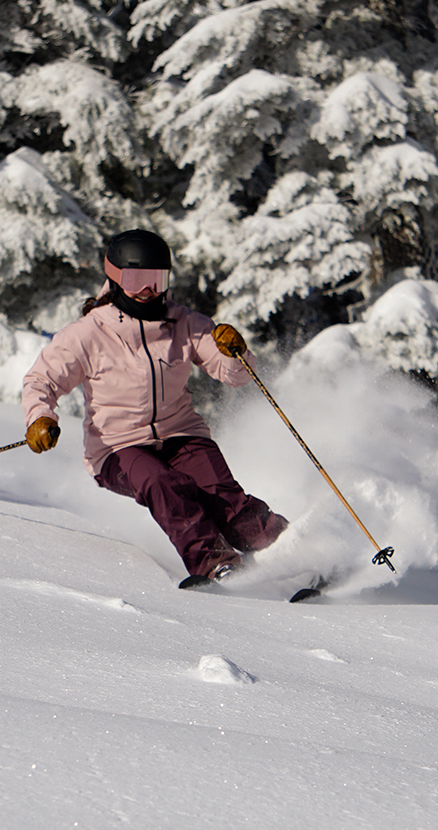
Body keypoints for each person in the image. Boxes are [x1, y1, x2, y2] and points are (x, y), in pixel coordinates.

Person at [22, 229, 288, 588]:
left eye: (157, 279)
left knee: (224, 497)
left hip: (182, 434)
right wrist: (40, 416)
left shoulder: (185, 324)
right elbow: (42, 380)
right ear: (115, 279)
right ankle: (216, 565)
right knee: (163, 484)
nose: (148, 290)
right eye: (136, 280)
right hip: (118, 448)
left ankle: (286, 547)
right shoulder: (87, 334)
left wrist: (234, 353)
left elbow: (235, 376)